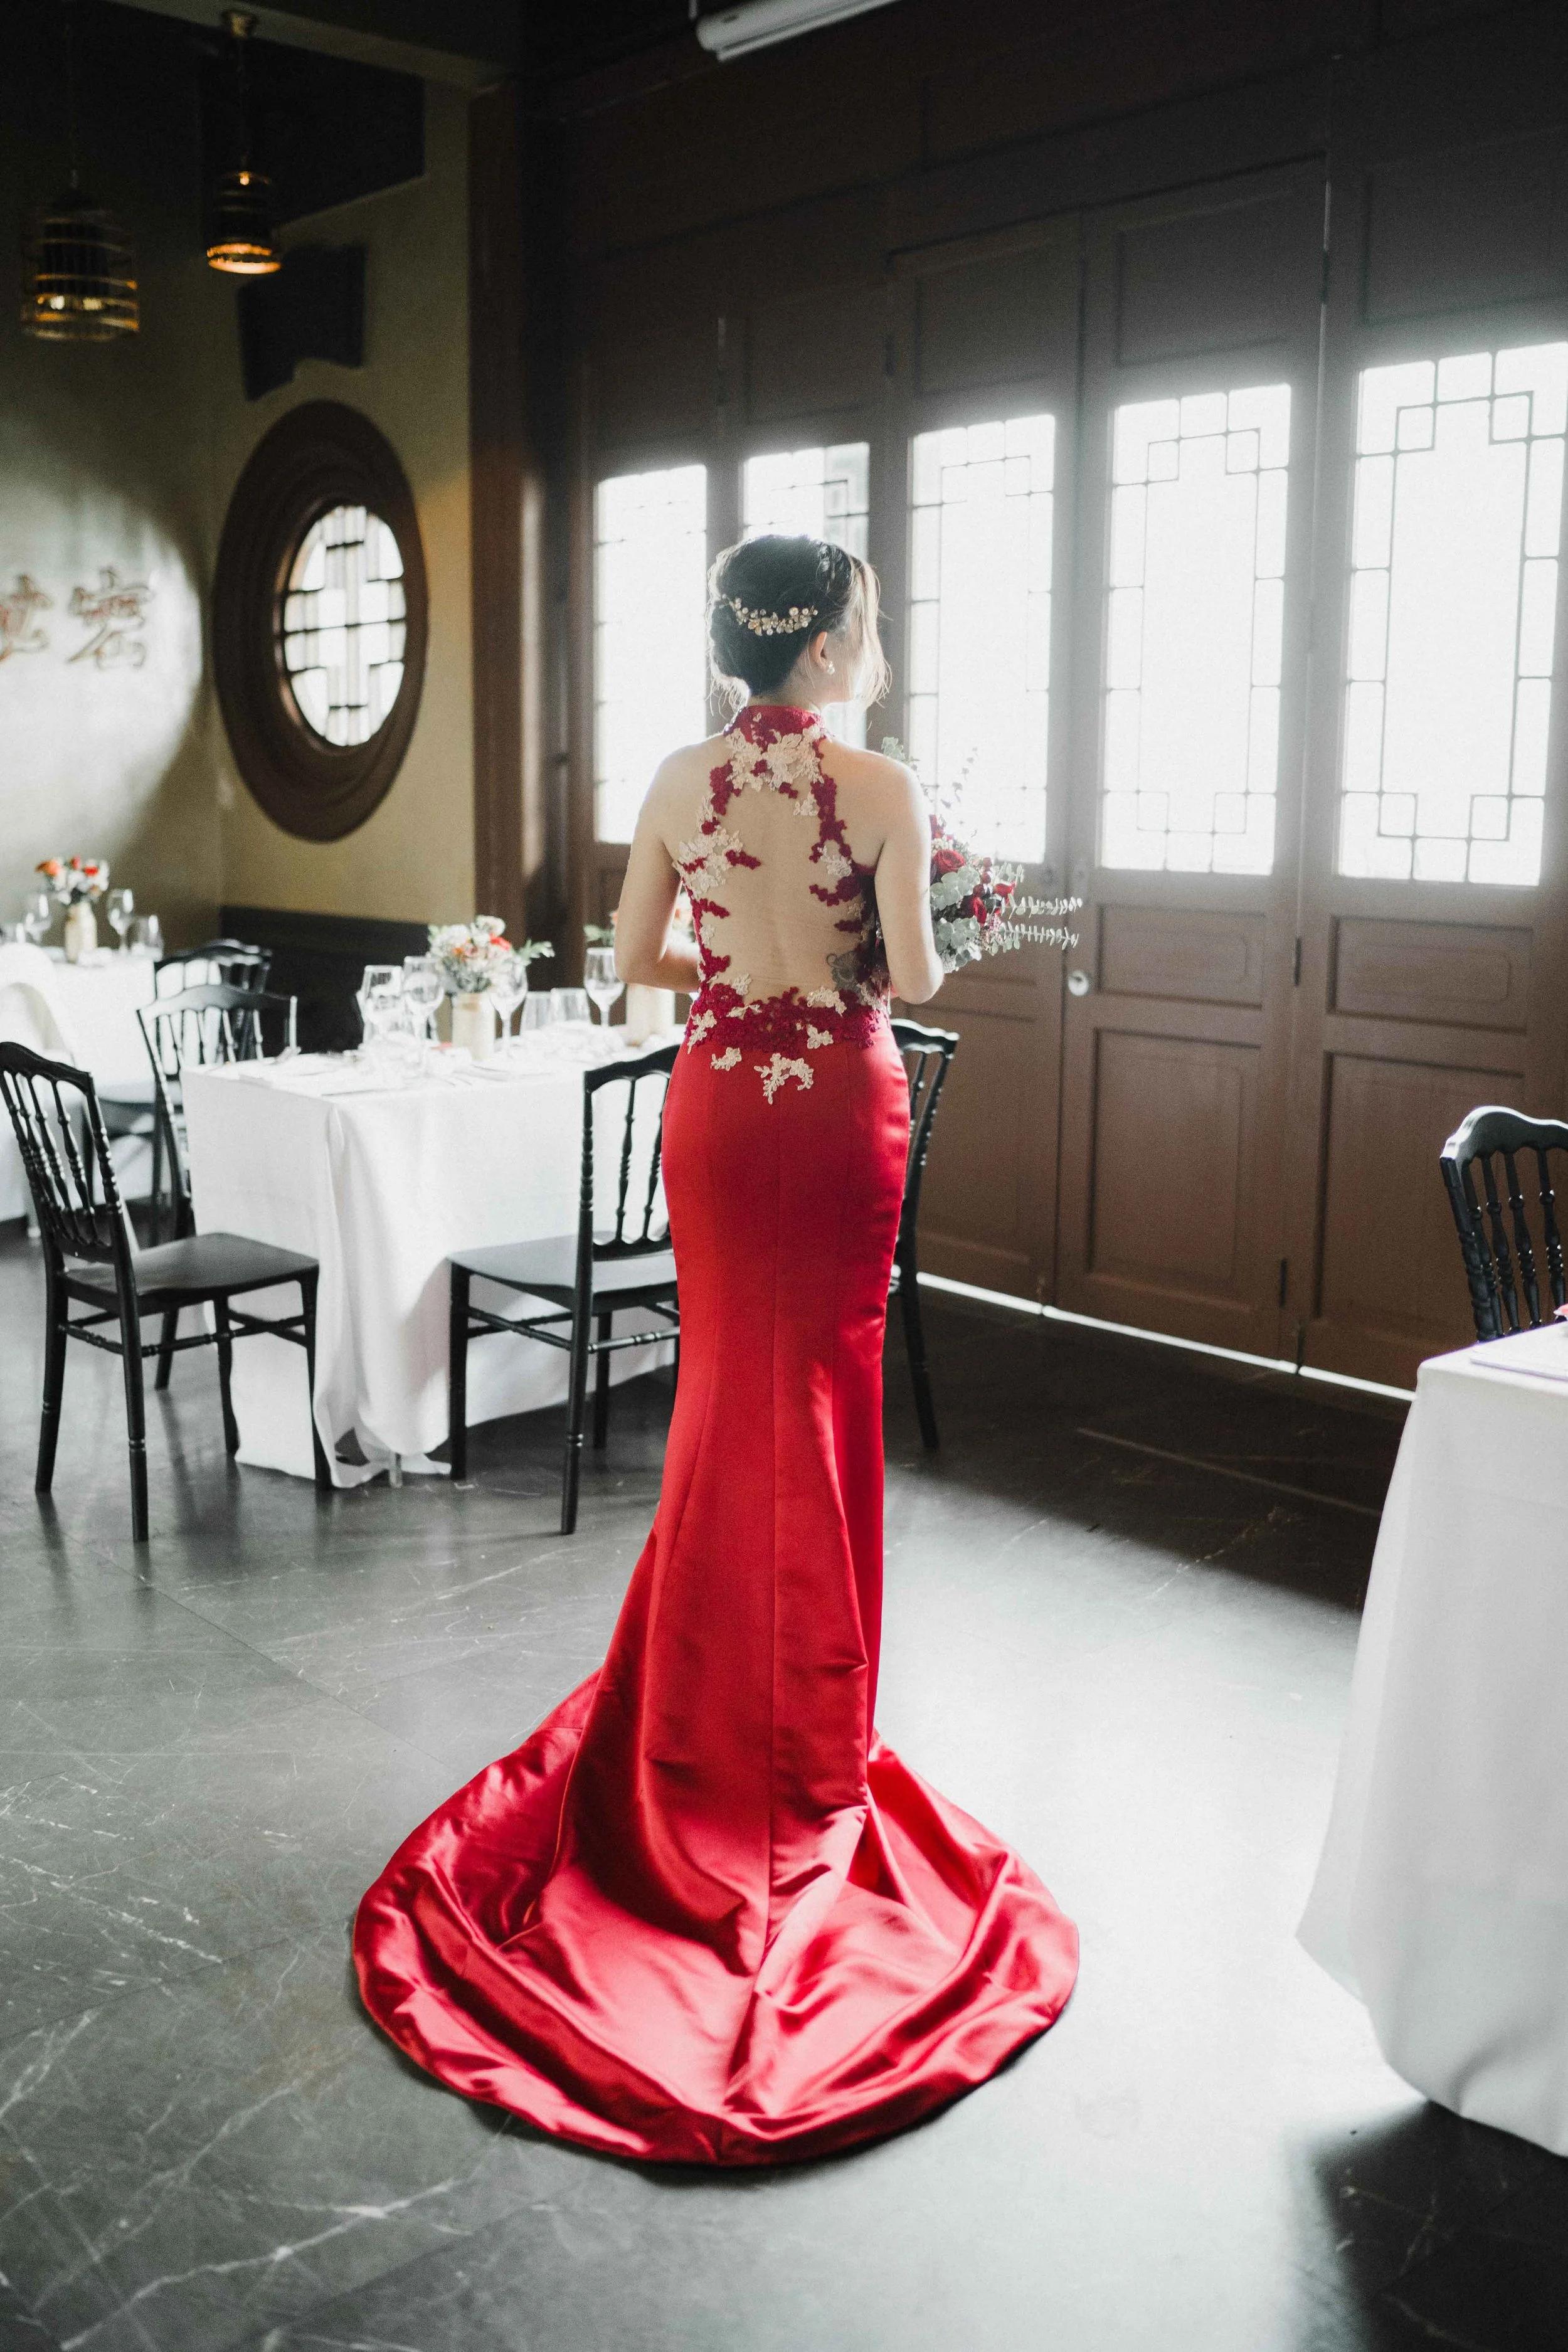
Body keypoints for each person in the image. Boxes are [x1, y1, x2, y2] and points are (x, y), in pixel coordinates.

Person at [354, 535, 1078, 2165]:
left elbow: (630, 966)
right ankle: (801, 1758)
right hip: (832, 1111)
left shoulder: (677, 778)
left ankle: (689, 1738)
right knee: (820, 1403)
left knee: (720, 1403)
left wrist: (741, 968)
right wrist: (879, 939)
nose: (872, 648)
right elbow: (922, 966)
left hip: (713, 1110)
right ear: (825, 643)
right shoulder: (881, 786)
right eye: (866, 626)